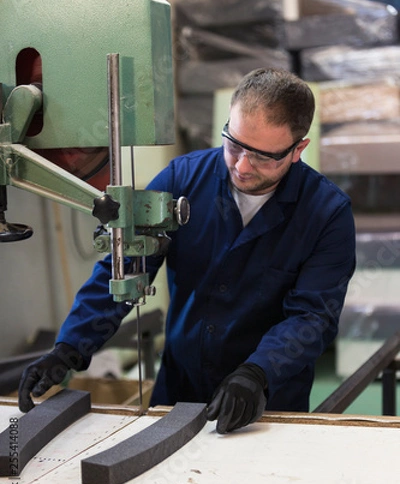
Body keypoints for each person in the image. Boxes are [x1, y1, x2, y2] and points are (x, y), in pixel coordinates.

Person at [18, 68, 356, 434]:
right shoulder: (182, 180)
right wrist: (68, 347)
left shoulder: (327, 214)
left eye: (262, 157)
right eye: (234, 144)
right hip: (179, 388)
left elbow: (312, 318)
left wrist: (258, 373)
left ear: (298, 149)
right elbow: (127, 265)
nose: (241, 166)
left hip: (266, 400)